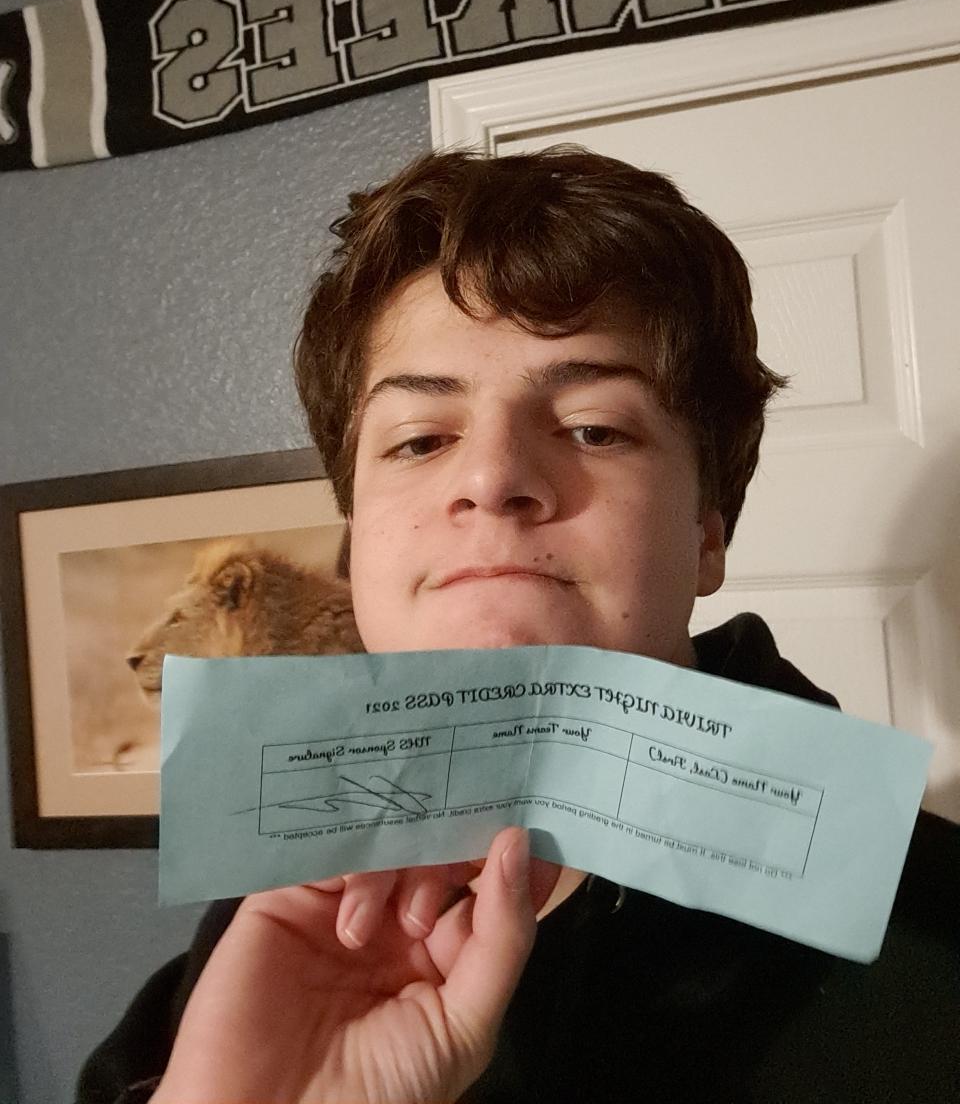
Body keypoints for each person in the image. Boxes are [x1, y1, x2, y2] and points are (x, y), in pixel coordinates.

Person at [77, 148, 958, 1104]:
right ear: (356, 540)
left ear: (706, 534)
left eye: (594, 429)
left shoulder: (935, 930)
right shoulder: (258, 939)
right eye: (420, 439)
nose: (491, 478)